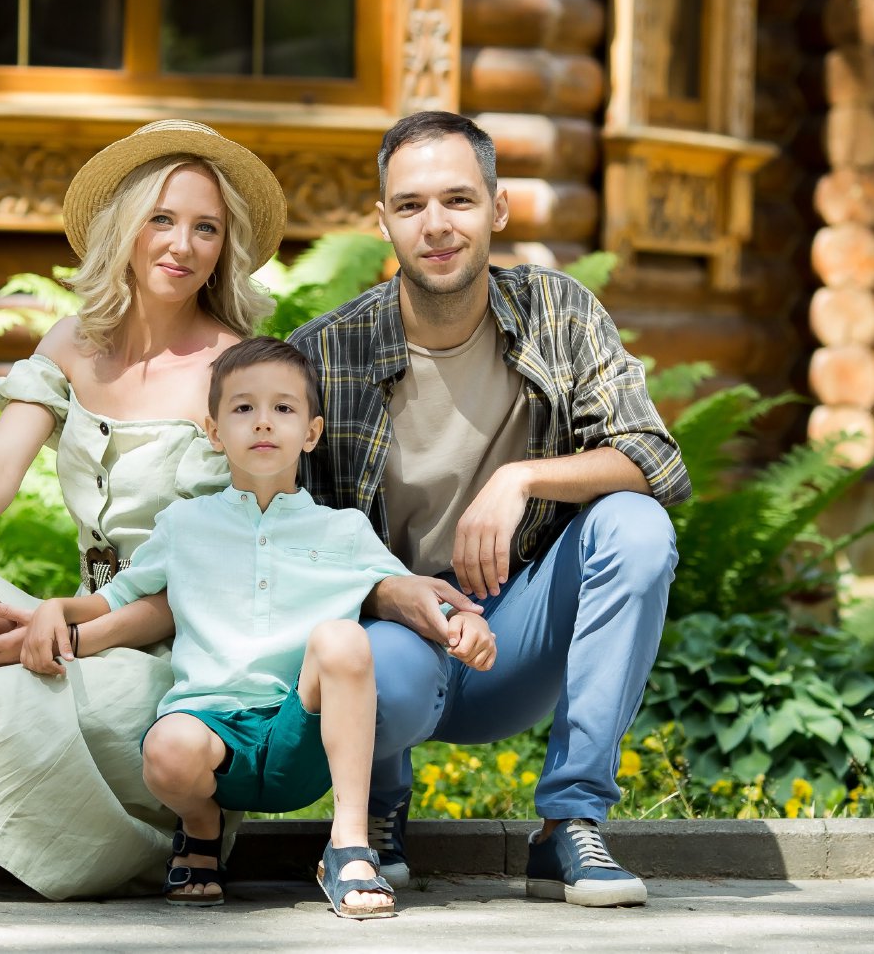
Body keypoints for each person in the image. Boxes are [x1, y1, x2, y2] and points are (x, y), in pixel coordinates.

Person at [0, 119, 288, 899]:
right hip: (79, 619)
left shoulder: (239, 371)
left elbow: (214, 582)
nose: (181, 244)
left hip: (177, 653)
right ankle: (38, 791)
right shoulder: (76, 342)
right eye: (161, 218)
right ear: (126, 227)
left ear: (225, 248)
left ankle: (149, 828)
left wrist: (66, 635)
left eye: (206, 227)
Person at [289, 111, 691, 908]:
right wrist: (388, 592)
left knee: (638, 526)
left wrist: (522, 478)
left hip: (516, 637)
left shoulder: (558, 312)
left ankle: (569, 823)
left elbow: (656, 457)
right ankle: (377, 806)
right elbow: (281, 535)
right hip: (394, 641)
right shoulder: (324, 353)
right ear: (382, 221)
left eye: (458, 200)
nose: (436, 225)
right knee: (361, 650)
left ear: (497, 208)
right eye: (410, 205)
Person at [26, 338, 496, 917]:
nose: (264, 422)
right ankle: (201, 827)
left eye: (284, 408)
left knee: (343, 637)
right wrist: (56, 610)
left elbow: (406, 593)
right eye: (243, 407)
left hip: (301, 731)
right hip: (209, 728)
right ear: (214, 432)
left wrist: (459, 622)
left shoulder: (344, 530)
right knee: (166, 749)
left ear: (312, 432)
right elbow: (116, 598)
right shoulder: (183, 524)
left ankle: (349, 845)